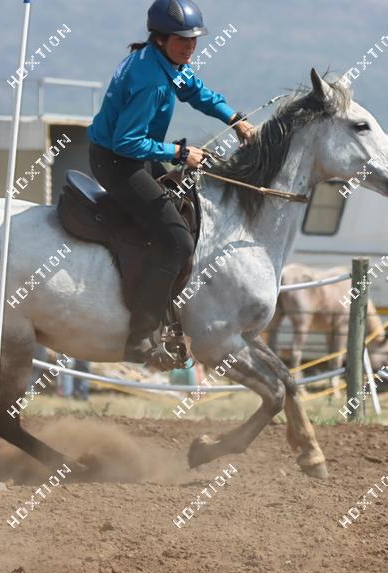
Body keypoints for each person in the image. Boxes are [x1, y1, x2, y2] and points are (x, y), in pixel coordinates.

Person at [87, 0, 254, 366]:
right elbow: (126, 142)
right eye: (182, 39)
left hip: (131, 155)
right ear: (161, 38)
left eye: (194, 39)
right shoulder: (151, 82)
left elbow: (195, 91)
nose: (190, 46)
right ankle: (140, 337)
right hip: (117, 162)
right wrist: (180, 153)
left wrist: (235, 120)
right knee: (176, 241)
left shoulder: (166, 64)